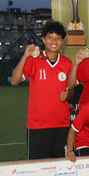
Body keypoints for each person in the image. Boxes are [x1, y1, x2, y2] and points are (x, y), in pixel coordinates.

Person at [11, 21, 73, 160]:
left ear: (62, 41)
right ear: (44, 39)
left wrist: (67, 94)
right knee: (37, 168)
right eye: (50, 37)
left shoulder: (67, 63)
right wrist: (25, 56)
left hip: (62, 125)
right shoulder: (34, 59)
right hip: (38, 126)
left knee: (60, 168)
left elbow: (72, 91)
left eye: (58, 38)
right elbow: (14, 81)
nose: (54, 41)